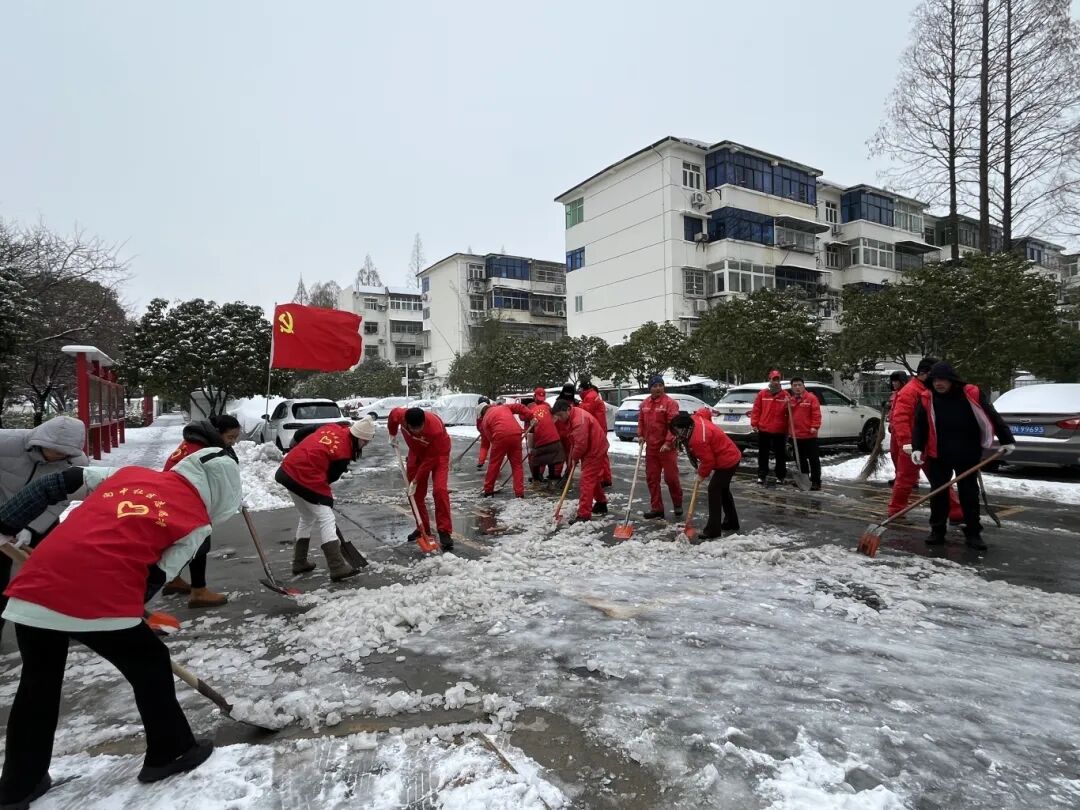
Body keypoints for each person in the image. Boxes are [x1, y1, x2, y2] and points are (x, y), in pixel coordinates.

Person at [0, 447, 242, 807]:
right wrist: (134, 608)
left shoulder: (128, 476)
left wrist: (5, 523)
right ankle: (171, 752)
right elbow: (157, 575)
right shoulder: (196, 521)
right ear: (224, 491)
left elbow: (56, 483)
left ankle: (20, 784)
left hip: (36, 586)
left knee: (38, 685)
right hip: (99, 595)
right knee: (151, 666)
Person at [0, 415, 88, 643]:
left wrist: (30, 526)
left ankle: (50, 624)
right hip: (1, 514)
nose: (58, 456)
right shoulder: (5, 442)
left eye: (64, 453)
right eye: (54, 450)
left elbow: (62, 499)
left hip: (41, 519)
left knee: (45, 571)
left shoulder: (76, 463)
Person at [911, 362, 1015, 549]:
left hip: (967, 452)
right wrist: (917, 447)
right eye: (935, 380)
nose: (938, 384)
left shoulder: (971, 393)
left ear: (952, 380)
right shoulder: (927, 398)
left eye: (942, 380)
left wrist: (1007, 439)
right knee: (938, 493)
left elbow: (992, 416)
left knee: (969, 494)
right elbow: (920, 425)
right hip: (938, 453)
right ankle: (937, 531)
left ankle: (973, 533)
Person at [274, 418, 375, 581]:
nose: (365, 445)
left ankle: (299, 562)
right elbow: (328, 478)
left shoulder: (333, 427)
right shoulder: (342, 454)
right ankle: (337, 566)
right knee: (326, 516)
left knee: (307, 516)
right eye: (365, 442)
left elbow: (303, 431)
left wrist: (294, 446)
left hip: (286, 470)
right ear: (359, 438)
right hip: (303, 476)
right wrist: (323, 499)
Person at [159, 414, 241, 608]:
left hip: (172, 494)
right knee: (200, 541)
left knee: (182, 542)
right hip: (180, 497)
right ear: (217, 433)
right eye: (230, 437)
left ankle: (173, 580)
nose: (233, 443)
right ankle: (199, 591)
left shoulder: (197, 441)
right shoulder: (202, 449)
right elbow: (213, 481)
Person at [888, 358, 963, 522]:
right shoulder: (910, 391)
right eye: (934, 375)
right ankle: (896, 510)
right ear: (925, 373)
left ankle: (956, 511)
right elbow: (899, 418)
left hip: (930, 444)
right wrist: (907, 443)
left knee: (940, 480)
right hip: (912, 445)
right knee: (905, 479)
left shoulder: (929, 390)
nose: (937, 379)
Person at [387, 407, 453, 552]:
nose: (416, 432)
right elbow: (392, 417)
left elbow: (430, 460)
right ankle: (422, 528)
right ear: (406, 423)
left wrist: (416, 480)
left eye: (420, 428)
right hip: (416, 452)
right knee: (415, 494)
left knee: (439, 491)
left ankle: (444, 531)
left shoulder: (435, 429)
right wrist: (392, 433)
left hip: (438, 454)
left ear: (424, 422)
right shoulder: (400, 415)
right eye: (413, 429)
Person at [671, 409, 741, 538]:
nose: (677, 434)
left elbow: (708, 461)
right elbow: (704, 412)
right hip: (729, 453)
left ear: (685, 427)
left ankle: (713, 531)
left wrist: (701, 475)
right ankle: (732, 522)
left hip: (728, 459)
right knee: (723, 490)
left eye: (678, 431)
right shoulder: (695, 419)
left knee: (714, 490)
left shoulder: (698, 439)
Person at [552, 399, 608, 523]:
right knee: (592, 478)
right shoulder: (571, 417)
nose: (560, 419)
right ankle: (601, 502)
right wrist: (572, 458)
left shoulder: (578, 420)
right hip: (590, 447)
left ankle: (584, 514)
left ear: (568, 409)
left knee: (586, 480)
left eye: (561, 415)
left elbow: (581, 444)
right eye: (558, 416)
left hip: (595, 449)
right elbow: (574, 441)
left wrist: (574, 458)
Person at [637, 375, 683, 520]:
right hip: (651, 448)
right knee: (652, 478)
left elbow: (674, 425)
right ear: (650, 388)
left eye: (660, 385)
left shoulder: (670, 403)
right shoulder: (644, 404)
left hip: (667, 448)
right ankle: (657, 508)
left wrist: (668, 442)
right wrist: (640, 435)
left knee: (671, 478)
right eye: (655, 386)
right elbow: (641, 421)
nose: (658, 388)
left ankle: (677, 504)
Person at [477, 402, 526, 498]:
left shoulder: (485, 419)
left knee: (494, 464)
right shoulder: (503, 407)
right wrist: (531, 416)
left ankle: (488, 490)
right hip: (516, 434)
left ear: (482, 414)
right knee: (517, 466)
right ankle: (519, 493)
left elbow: (490, 438)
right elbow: (519, 407)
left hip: (500, 437)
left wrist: (500, 448)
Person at [750, 370, 789, 486]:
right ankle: (762, 475)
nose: (776, 381)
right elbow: (756, 410)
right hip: (764, 429)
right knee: (763, 454)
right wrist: (754, 424)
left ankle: (780, 476)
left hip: (780, 429)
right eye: (774, 379)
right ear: (770, 380)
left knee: (780, 455)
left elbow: (790, 412)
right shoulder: (762, 394)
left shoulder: (785, 395)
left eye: (778, 379)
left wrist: (789, 404)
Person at [523, 388, 565, 485]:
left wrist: (531, 447)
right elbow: (554, 418)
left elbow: (531, 433)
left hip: (541, 439)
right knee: (551, 458)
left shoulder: (531, 412)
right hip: (554, 439)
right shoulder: (547, 407)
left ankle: (536, 479)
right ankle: (551, 478)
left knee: (536, 460)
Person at [789, 378, 822, 491]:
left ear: (803, 386)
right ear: (792, 387)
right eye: (795, 385)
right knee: (800, 459)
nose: (797, 387)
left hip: (809, 434)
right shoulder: (791, 400)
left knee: (813, 459)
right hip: (796, 435)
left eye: (799, 385)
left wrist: (815, 426)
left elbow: (816, 414)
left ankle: (816, 481)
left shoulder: (811, 398)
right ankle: (804, 479)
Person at [578, 379, 612, 488]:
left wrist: (577, 406)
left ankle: (601, 479)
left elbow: (585, 412)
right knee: (602, 453)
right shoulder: (594, 395)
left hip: (596, 430)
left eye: (580, 390)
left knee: (597, 455)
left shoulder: (590, 397)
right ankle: (606, 478)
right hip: (601, 428)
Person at [886, 370, 909, 481]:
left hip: (904, 430)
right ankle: (899, 476)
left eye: (896, 381)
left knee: (904, 455)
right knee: (894, 454)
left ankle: (910, 478)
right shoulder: (894, 394)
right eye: (893, 381)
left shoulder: (907, 393)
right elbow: (893, 411)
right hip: (894, 429)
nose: (894, 384)